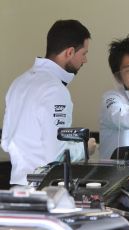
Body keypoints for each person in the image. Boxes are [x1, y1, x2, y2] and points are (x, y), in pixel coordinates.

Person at [1, 19, 96, 186]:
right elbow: (55, 155)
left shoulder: (18, 82)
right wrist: (85, 149)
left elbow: (6, 142)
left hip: (16, 186)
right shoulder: (55, 90)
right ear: (70, 52)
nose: (85, 61)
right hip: (43, 189)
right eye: (84, 54)